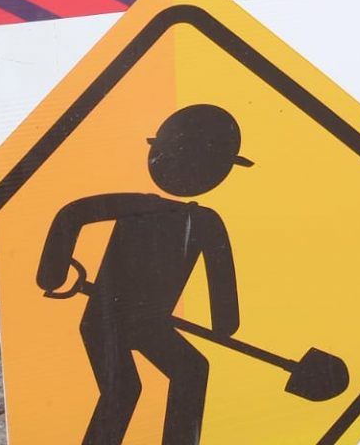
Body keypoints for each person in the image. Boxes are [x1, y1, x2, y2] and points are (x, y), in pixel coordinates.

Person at [38, 105, 248, 445]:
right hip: (106, 318)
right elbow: (72, 215)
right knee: (123, 388)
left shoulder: (206, 222)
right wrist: (53, 273)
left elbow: (220, 276)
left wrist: (224, 324)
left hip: (152, 323)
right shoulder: (138, 204)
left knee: (192, 369)